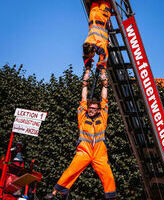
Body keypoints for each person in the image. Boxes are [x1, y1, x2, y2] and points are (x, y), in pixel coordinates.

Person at [44, 67, 117, 199]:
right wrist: (87, 74)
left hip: (100, 154)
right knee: (71, 170)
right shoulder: (83, 117)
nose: (91, 110)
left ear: (98, 110)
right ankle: (54, 193)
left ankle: (111, 197)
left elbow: (104, 96)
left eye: (94, 108)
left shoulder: (103, 118)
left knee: (108, 175)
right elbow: (83, 97)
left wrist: (102, 74)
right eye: (89, 108)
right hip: (84, 151)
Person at [83, 0, 112, 70]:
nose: (92, 57)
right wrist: (87, 69)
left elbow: (104, 58)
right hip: (93, 13)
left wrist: (102, 71)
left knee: (107, 2)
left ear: (93, 51)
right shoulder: (87, 42)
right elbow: (85, 56)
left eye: (91, 56)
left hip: (102, 15)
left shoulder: (100, 44)